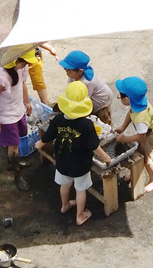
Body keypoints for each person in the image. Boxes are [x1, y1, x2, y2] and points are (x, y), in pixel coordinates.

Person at [39, 81, 111, 226]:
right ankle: (80, 215)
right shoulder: (86, 125)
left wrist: (39, 143)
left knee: (64, 185)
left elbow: (48, 136)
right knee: (80, 189)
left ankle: (64, 205)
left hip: (62, 160)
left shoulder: (58, 119)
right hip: (80, 164)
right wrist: (106, 157)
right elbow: (94, 146)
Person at [0, 54, 34, 191]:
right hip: (7, 117)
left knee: (15, 141)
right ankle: (17, 174)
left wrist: (27, 102)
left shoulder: (20, 69)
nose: (27, 65)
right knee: (14, 147)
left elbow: (22, 84)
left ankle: (12, 163)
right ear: (16, 60)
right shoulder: (2, 77)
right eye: (25, 62)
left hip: (18, 110)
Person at [114, 76, 153, 194]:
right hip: (145, 131)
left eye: (120, 96)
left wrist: (125, 139)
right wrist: (123, 127)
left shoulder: (141, 118)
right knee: (138, 153)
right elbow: (130, 113)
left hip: (150, 135)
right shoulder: (138, 102)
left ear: (128, 98)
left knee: (146, 160)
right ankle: (135, 172)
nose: (120, 99)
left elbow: (141, 137)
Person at [58, 50, 114, 126]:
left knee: (101, 120)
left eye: (69, 72)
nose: (67, 74)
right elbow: (71, 91)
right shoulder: (72, 77)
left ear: (80, 71)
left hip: (102, 100)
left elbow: (83, 100)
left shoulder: (87, 82)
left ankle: (107, 132)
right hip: (90, 97)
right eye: (66, 71)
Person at [21, 42, 58, 106]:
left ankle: (45, 104)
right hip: (19, 58)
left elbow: (38, 41)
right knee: (19, 81)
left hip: (35, 56)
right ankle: (20, 101)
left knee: (38, 81)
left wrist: (50, 48)